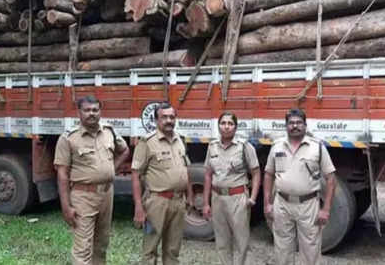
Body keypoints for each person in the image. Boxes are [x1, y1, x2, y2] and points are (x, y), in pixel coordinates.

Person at [54, 95, 129, 265]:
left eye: (95, 110)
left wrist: (111, 169)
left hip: (106, 194)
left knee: (101, 245)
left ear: (100, 111)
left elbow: (124, 151)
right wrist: (66, 207)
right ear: (79, 113)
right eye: (87, 110)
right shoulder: (68, 139)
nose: (91, 114)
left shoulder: (109, 132)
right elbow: (62, 175)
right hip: (83, 196)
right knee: (83, 249)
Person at [263, 108, 336, 265]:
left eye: (298, 123)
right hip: (281, 203)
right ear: (286, 126)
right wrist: (267, 203)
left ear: (305, 125)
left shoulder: (317, 147)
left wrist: (326, 209)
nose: (295, 126)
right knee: (282, 249)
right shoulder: (276, 146)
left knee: (310, 250)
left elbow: (331, 178)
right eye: (291, 123)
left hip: (308, 205)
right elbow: (268, 174)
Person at [131, 101, 193, 265]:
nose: (168, 120)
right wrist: (138, 207)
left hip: (178, 202)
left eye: (172, 117)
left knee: (173, 250)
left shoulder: (180, 140)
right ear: (156, 120)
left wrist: (190, 197)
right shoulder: (147, 142)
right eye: (164, 117)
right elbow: (136, 174)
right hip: (156, 202)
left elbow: (185, 169)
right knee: (150, 249)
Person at [202, 111, 261, 265]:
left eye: (230, 124)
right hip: (217, 198)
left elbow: (256, 173)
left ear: (235, 127)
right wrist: (206, 203)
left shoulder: (244, 147)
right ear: (218, 125)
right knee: (221, 241)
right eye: (223, 123)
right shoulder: (212, 146)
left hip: (238, 198)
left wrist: (252, 198)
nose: (226, 127)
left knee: (241, 242)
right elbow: (208, 175)